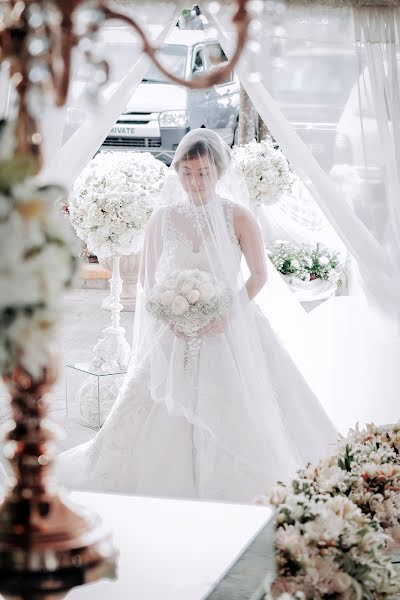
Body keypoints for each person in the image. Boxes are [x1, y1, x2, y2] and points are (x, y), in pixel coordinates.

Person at [57, 129, 337, 502]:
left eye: (202, 172)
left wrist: (228, 313)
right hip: (172, 329)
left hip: (229, 327)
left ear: (217, 172)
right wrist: (167, 311)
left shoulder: (238, 218)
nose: (194, 181)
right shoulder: (162, 219)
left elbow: (258, 275)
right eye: (187, 173)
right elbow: (148, 281)